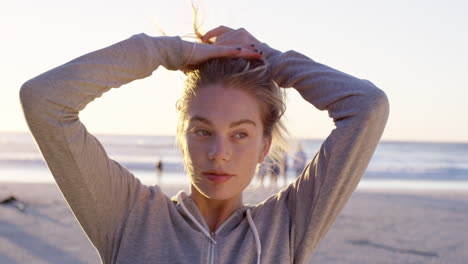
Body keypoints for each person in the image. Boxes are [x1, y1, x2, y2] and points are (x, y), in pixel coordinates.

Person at [20, 25, 389, 263]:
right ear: (182, 138)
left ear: (265, 147)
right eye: (202, 130)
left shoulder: (288, 227)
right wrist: (167, 53)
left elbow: (367, 107)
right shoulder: (127, 217)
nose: (219, 152)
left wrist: (270, 59)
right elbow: (44, 100)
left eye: (240, 134)